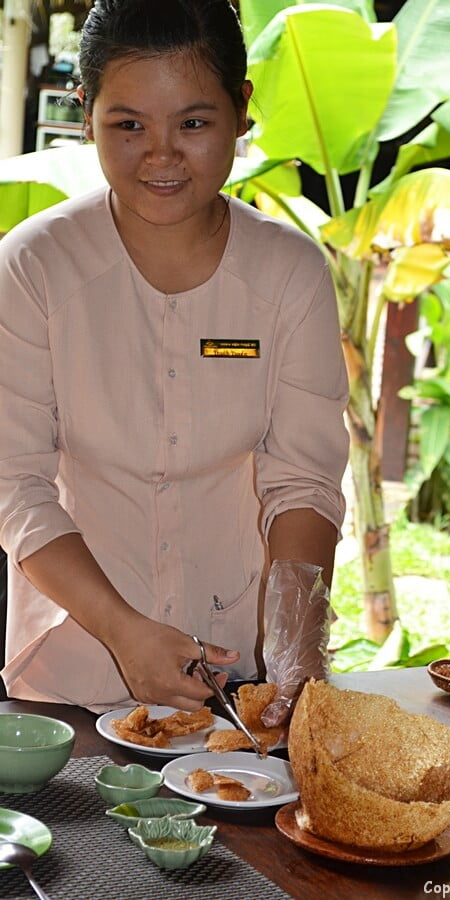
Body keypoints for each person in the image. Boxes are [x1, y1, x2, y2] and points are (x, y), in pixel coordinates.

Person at [0, 0, 348, 724]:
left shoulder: (290, 275)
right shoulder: (33, 267)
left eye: (193, 123)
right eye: (128, 125)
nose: (161, 156)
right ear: (87, 111)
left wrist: (294, 649)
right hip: (71, 672)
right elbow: (18, 487)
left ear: (241, 109)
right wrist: (125, 632)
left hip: (240, 681)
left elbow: (303, 482)